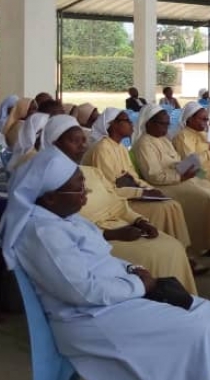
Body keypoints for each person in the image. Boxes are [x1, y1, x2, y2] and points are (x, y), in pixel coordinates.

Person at [0, 147, 210, 380]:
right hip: (86, 319)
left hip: (111, 301)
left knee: (201, 310)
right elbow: (82, 291)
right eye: (77, 187)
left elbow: (104, 258)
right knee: (187, 326)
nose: (85, 192)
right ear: (49, 196)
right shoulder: (41, 232)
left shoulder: (66, 218)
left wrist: (133, 271)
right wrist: (138, 284)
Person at [47, 115, 200, 290]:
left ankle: (172, 292)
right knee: (160, 251)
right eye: (75, 141)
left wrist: (140, 221)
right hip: (97, 237)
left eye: (84, 140)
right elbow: (66, 229)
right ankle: (155, 295)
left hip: (116, 222)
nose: (83, 146)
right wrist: (113, 234)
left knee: (172, 245)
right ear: (54, 144)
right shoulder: (52, 182)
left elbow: (116, 202)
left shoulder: (90, 172)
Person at [130, 105, 210, 256]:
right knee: (207, 198)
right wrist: (182, 175)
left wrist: (189, 171)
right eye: (163, 124)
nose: (166, 128)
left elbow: (178, 161)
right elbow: (154, 176)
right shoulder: (144, 144)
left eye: (168, 124)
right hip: (165, 185)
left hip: (183, 177)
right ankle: (207, 243)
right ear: (149, 123)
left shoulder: (164, 140)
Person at [82, 108, 194, 246]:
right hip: (118, 201)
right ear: (112, 124)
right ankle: (163, 245)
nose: (132, 124)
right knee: (165, 207)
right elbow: (110, 188)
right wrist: (142, 192)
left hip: (129, 193)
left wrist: (149, 189)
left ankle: (181, 249)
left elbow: (132, 177)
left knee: (171, 204)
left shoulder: (120, 147)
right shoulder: (102, 149)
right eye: (127, 121)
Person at [173, 103, 210, 186]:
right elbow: (190, 165)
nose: (206, 123)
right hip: (208, 176)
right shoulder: (182, 137)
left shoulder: (204, 133)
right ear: (190, 119)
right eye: (203, 119)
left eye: (207, 119)